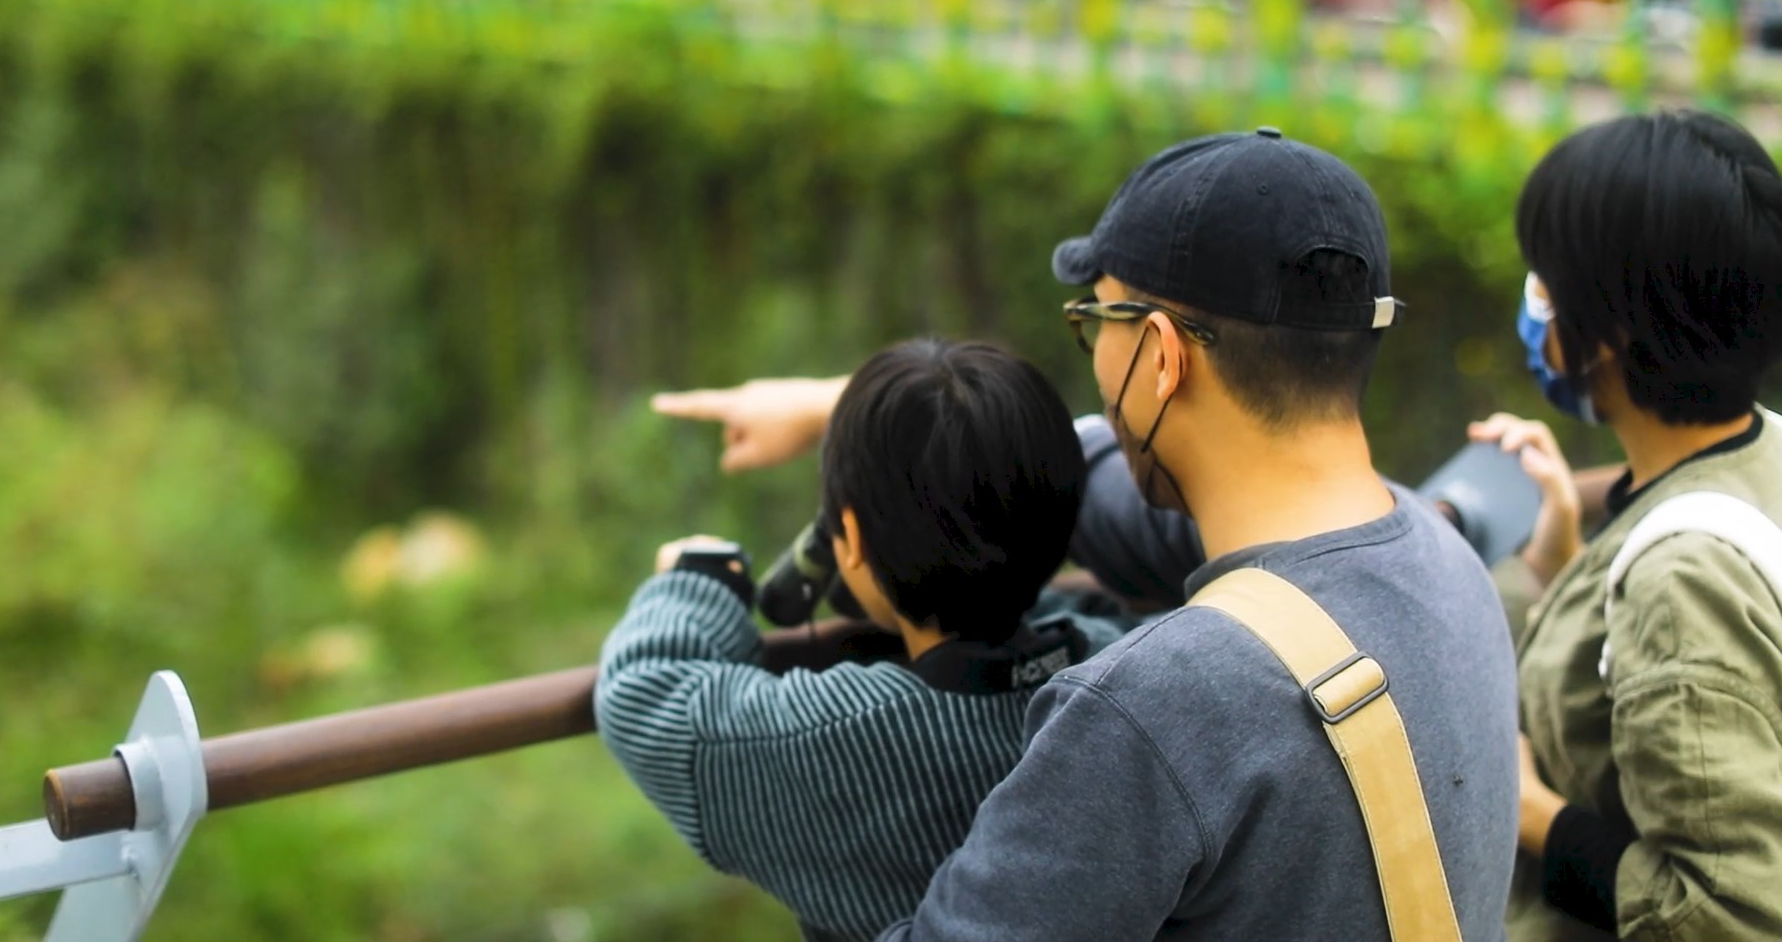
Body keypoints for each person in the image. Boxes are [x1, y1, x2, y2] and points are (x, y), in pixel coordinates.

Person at [660, 130, 1521, 940]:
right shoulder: (1447, 560)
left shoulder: (1150, 710)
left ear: (1158, 354)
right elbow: (1093, 464)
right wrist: (847, 410)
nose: (1095, 362)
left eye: (1096, 324)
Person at [595, 339, 1131, 942]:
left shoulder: (840, 740)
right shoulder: (1125, 667)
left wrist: (698, 576)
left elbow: (644, 693)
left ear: (847, 535)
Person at [1470, 111, 1782, 940]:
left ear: (1612, 335)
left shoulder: (1680, 580)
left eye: (1547, 283)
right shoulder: (1777, 450)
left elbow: (1743, 915)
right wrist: (1564, 565)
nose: (1535, 303)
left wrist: (1532, 813)